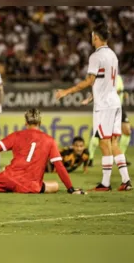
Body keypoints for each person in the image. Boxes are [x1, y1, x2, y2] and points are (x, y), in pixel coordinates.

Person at [56, 22, 132, 191]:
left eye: (92, 35)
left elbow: (89, 80)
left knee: (104, 143)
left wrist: (66, 92)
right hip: (114, 102)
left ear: (96, 36)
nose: (91, 37)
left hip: (104, 105)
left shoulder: (95, 56)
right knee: (113, 142)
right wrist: (93, 95)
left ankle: (105, 183)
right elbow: (106, 80)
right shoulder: (113, 55)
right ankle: (126, 181)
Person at [84, 74, 131, 167]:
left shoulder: (118, 77)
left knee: (127, 131)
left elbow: (119, 90)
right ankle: (89, 157)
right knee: (100, 134)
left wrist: (122, 93)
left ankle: (120, 156)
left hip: (119, 108)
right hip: (106, 108)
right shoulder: (102, 77)